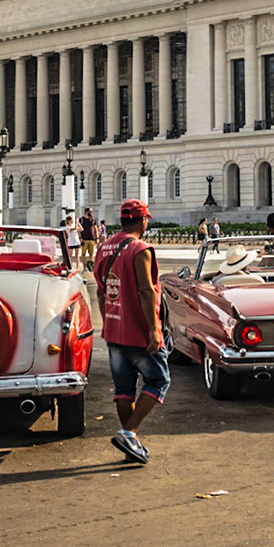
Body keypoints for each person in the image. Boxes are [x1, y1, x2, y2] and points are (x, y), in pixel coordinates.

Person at [94, 199, 166, 465]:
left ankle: (130, 448)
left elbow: (101, 291)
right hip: (137, 330)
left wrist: (108, 322)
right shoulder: (140, 249)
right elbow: (147, 291)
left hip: (114, 330)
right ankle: (128, 432)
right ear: (142, 220)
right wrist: (153, 331)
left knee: (124, 391)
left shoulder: (105, 247)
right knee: (159, 380)